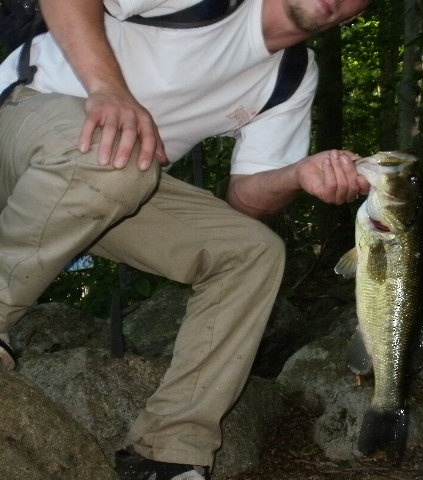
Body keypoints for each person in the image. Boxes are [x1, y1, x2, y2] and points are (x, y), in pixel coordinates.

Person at [0, 0, 371, 478]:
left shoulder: (293, 75)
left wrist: (297, 174)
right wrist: (108, 90)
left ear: (357, 14)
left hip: (109, 180)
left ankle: (168, 452)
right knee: (114, 163)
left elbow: (245, 199)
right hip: (24, 115)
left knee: (252, 252)